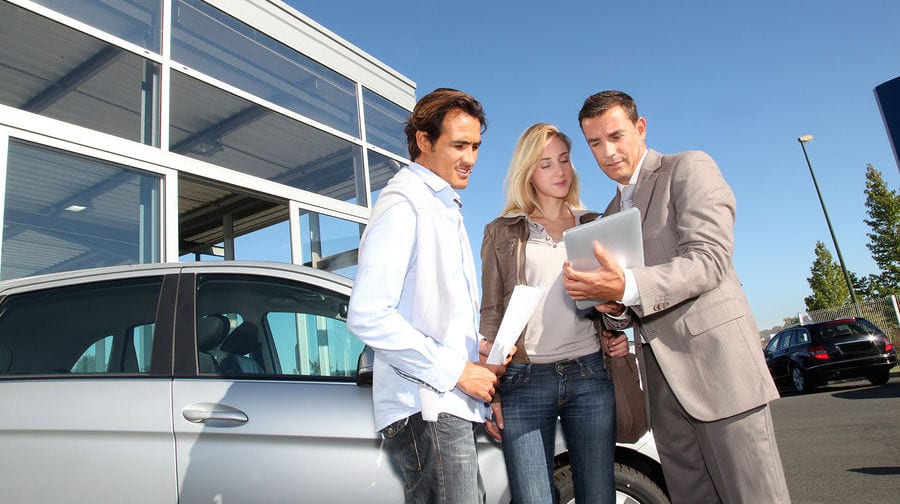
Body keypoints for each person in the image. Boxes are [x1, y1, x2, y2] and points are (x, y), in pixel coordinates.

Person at [562, 90, 791, 503]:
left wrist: (626, 286)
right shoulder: (609, 216)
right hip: (662, 389)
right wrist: (611, 306)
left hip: (720, 373)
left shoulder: (688, 168)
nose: (608, 151)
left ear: (641, 127)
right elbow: (628, 306)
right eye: (595, 143)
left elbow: (709, 260)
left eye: (616, 135)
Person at [347, 88, 512, 504]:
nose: (471, 159)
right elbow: (368, 315)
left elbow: (433, 317)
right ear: (424, 141)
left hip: (445, 408)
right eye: (459, 145)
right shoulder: (405, 205)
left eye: (475, 146)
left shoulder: (443, 207)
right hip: (427, 409)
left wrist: (479, 353)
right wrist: (458, 371)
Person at [480, 123, 629, 504]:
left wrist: (615, 322)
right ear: (528, 171)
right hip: (524, 382)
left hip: (590, 374)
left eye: (564, 160)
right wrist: (492, 390)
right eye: (546, 164)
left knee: (598, 494)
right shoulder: (501, 231)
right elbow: (492, 313)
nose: (560, 171)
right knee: (533, 498)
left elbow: (620, 302)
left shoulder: (594, 223)